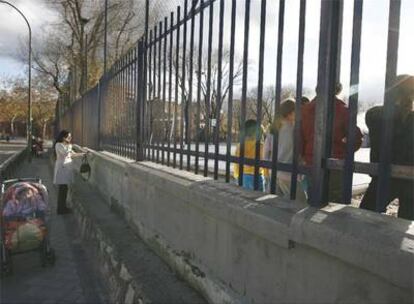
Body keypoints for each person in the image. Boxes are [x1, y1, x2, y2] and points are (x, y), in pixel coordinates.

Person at [360, 75, 414, 220]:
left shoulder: (374, 115)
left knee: (365, 216)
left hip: (383, 175)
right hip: (410, 177)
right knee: (406, 224)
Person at [301, 82, 363, 203]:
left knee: (314, 199)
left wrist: (304, 155)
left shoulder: (304, 110)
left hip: (311, 161)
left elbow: (299, 137)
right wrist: (343, 150)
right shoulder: (343, 110)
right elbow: (356, 138)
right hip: (335, 161)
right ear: (338, 91)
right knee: (334, 204)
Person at [264, 99, 307, 201]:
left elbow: (266, 152)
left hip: (274, 172)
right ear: (290, 113)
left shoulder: (273, 129)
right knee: (300, 205)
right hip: (290, 174)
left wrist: (268, 168)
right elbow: (300, 153)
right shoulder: (295, 130)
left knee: (274, 205)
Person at [53, 130, 84, 214]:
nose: (70, 138)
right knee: (62, 189)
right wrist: (70, 146)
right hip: (61, 169)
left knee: (65, 189)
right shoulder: (58, 145)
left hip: (66, 169)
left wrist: (83, 154)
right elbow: (65, 153)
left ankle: (63, 207)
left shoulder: (67, 146)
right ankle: (60, 209)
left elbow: (72, 154)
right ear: (64, 137)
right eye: (69, 137)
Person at [233, 120, 267, 191]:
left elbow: (236, 163)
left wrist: (237, 175)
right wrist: (266, 175)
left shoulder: (240, 146)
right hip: (258, 176)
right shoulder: (261, 146)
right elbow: (264, 162)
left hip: (243, 175)